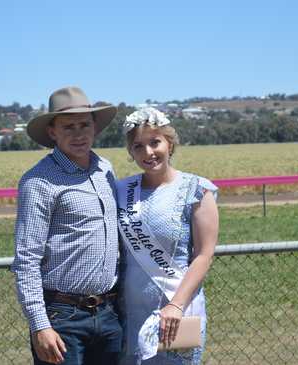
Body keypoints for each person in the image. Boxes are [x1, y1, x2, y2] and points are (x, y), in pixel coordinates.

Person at [11, 86, 122, 365]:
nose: (78, 134)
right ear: (52, 132)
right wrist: (40, 325)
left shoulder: (104, 169)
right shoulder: (39, 181)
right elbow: (26, 259)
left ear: (95, 127)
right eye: (68, 126)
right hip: (63, 316)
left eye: (84, 125)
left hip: (109, 311)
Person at [116, 107, 219, 364]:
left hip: (176, 313)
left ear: (169, 143)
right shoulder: (121, 190)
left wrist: (176, 305)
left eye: (155, 142)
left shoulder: (196, 189)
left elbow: (204, 255)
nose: (148, 152)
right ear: (131, 152)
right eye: (138, 146)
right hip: (129, 313)